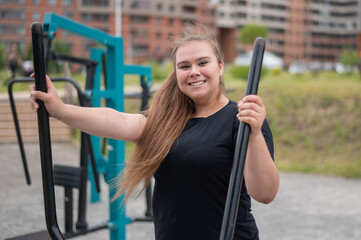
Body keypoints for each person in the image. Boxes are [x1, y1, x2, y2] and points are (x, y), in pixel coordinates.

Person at [29, 24, 279, 240]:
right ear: (177, 73)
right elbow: (114, 120)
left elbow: (265, 193)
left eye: (203, 62)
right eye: (184, 66)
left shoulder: (242, 121)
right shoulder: (166, 121)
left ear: (221, 66)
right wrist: (59, 109)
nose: (194, 71)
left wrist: (255, 133)